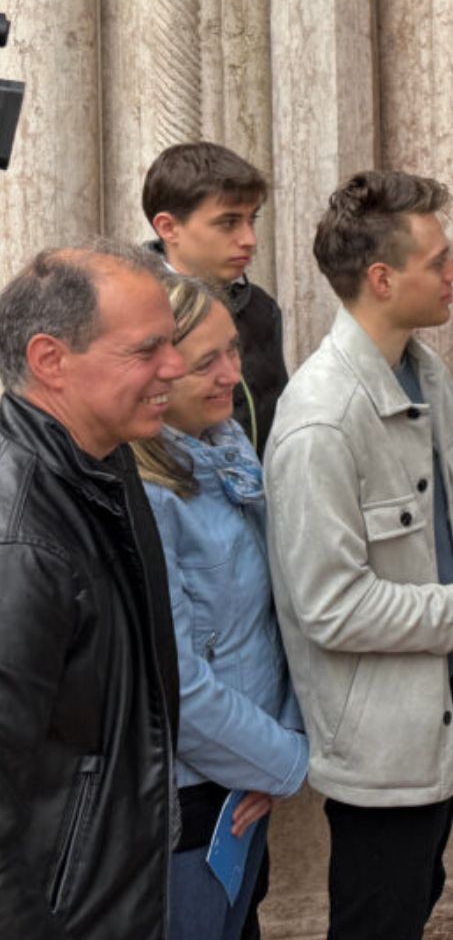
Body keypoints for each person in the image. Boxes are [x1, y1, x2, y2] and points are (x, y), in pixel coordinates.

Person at [265, 171, 453, 940]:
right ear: (381, 278)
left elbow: (450, 539)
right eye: (438, 260)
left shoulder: (425, 373)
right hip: (377, 748)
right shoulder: (320, 422)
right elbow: (334, 609)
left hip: (436, 711)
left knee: (414, 899)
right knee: (378, 917)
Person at [0, 244, 187, 939]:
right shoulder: (22, 538)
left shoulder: (105, 465)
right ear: (51, 360)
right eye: (146, 350)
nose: (174, 367)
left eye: (172, 343)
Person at [131, 276, 308, 940]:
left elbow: (275, 623)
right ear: (158, 367)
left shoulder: (227, 451)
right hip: (193, 802)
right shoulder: (148, 493)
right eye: (207, 361)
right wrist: (287, 761)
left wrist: (272, 759)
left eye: (233, 350)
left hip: (245, 780)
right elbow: (179, 686)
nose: (233, 373)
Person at [143, 143, 289, 452]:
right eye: (228, 222)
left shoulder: (260, 308)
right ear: (168, 228)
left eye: (252, 220)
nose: (249, 240)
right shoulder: (134, 314)